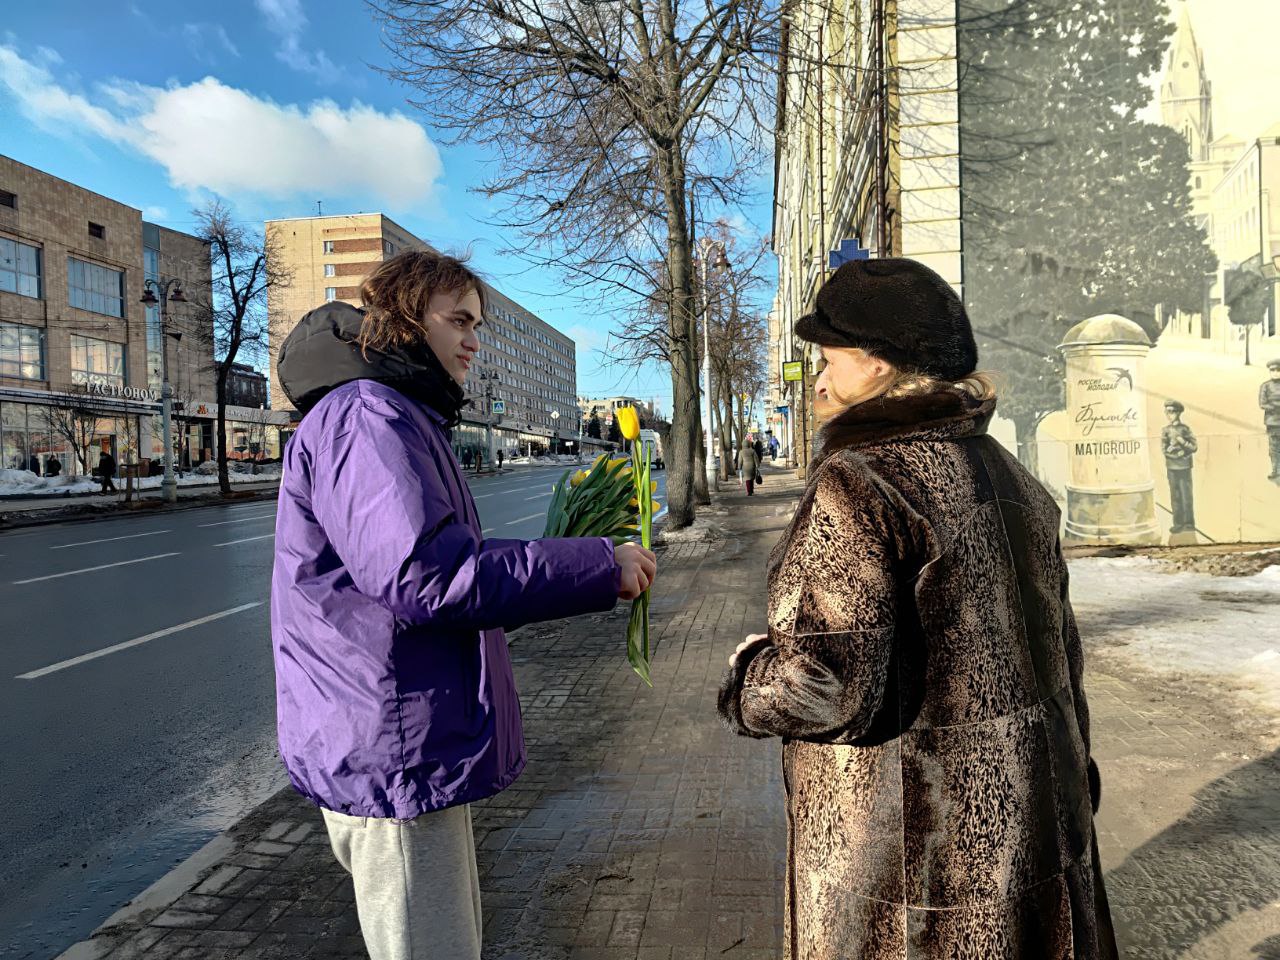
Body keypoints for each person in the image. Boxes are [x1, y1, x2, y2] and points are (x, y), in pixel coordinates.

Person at [718, 258, 1117, 960]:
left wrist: (748, 677)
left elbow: (824, 685)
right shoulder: (1013, 476)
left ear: (876, 365)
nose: (820, 377)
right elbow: (1064, 654)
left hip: (907, 863)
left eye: (830, 357)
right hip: (1031, 833)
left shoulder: (862, 484)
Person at [271, 250, 656, 960]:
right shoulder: (368, 416)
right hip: (392, 742)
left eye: (476, 322)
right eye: (459, 321)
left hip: (397, 728)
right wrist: (599, 565)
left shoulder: (393, 413)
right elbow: (424, 574)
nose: (474, 339)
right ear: (405, 320)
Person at [1161, 399, 1198, 534]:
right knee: (1175, 496)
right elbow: (1164, 450)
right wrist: (1175, 453)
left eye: (1171, 412)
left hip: (1184, 467)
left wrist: (1183, 444)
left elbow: (1193, 447)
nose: (1168, 414)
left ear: (1178, 413)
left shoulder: (1185, 429)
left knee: (1186, 495)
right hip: (1172, 467)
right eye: (1167, 412)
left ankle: (1189, 523)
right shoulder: (1165, 430)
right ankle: (1178, 523)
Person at [1262, 358, 1280, 480]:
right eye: (1273, 370)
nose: (1275, 372)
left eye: (1278, 370)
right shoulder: (1265, 386)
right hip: (1272, 423)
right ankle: (1275, 470)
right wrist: (1275, 407)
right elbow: (1262, 403)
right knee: (1273, 448)